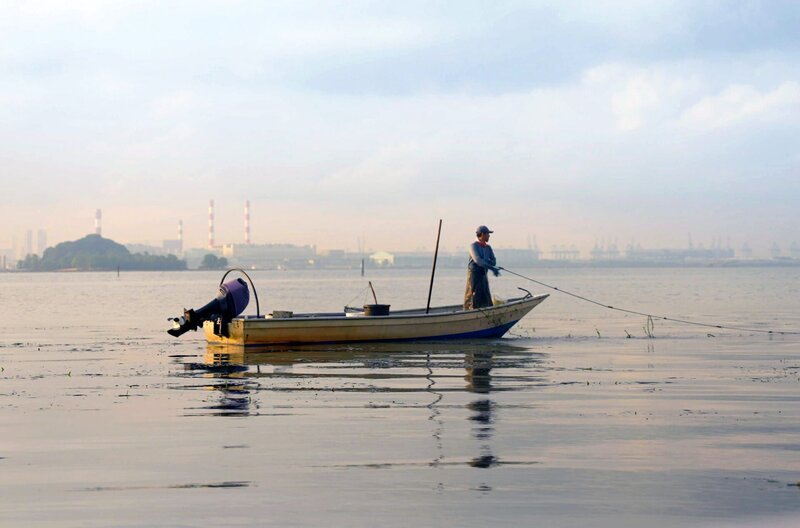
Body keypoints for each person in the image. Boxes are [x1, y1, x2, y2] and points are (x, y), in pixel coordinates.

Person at [464, 225, 500, 310]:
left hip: (483, 274)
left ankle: (486, 309)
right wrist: (492, 268)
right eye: (488, 234)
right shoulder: (473, 246)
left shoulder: (488, 247)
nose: (489, 236)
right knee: (473, 295)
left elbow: (493, 261)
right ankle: (469, 311)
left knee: (485, 295)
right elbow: (478, 261)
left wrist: (490, 265)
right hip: (474, 275)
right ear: (482, 234)